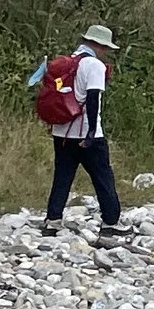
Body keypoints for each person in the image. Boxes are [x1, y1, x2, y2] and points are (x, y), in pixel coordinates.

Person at [32, 19, 127, 241]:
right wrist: (92, 132)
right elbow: (92, 98)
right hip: (86, 132)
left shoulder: (66, 62)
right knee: (103, 177)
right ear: (100, 45)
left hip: (62, 131)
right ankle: (111, 222)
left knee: (62, 176)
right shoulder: (94, 66)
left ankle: (52, 221)